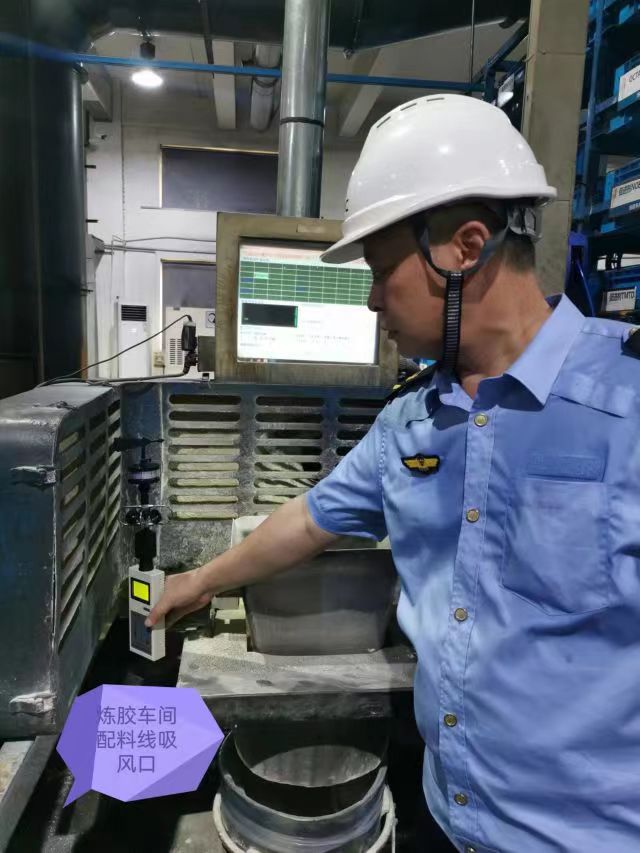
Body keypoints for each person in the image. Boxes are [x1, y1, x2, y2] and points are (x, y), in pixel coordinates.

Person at [148, 96, 640, 852]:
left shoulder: (625, 404)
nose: (374, 297)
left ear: (464, 248)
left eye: (382, 272)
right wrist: (200, 580)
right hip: (445, 817)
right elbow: (309, 520)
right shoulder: (411, 422)